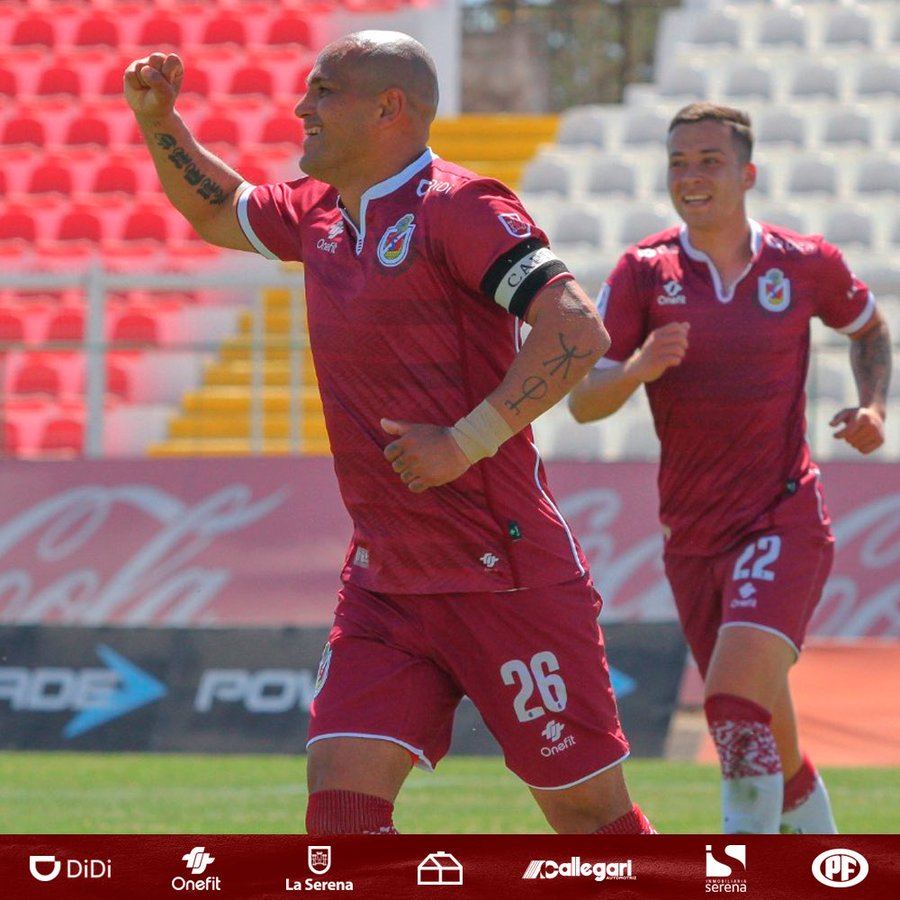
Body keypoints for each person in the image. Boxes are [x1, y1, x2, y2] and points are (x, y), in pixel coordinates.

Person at [124, 31, 656, 835]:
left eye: (324, 91)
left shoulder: (460, 207)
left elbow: (577, 329)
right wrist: (159, 120)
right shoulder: (319, 212)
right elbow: (215, 208)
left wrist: (465, 441)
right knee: (340, 813)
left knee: (590, 820)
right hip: (385, 581)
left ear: (388, 108)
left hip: (501, 570)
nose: (301, 107)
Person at [568, 101, 892, 834]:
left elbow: (869, 329)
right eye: (678, 162)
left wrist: (873, 406)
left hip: (783, 518)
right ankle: (830, 871)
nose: (691, 176)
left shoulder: (803, 263)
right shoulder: (644, 271)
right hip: (691, 538)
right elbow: (585, 402)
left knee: (733, 705)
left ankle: (739, 874)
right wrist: (638, 369)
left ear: (747, 174)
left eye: (709, 161)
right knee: (774, 737)